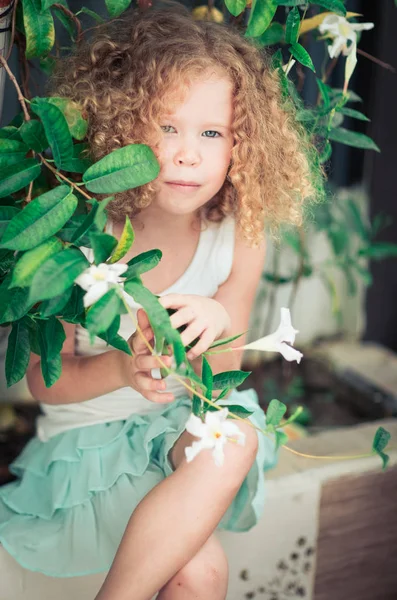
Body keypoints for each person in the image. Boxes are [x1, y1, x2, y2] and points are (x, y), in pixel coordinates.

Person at [0, 3, 321, 599]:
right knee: (202, 573)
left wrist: (219, 320)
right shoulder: (79, 229)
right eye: (166, 128)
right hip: (90, 448)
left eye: (211, 133)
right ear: (120, 129)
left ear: (241, 144)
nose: (188, 154)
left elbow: (222, 374)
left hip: (179, 430)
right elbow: (46, 384)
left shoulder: (240, 228)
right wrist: (122, 366)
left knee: (238, 436)